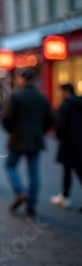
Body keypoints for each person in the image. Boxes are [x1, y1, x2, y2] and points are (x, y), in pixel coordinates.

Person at [1, 69, 55, 217]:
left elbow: (6, 118)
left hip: (18, 139)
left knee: (10, 166)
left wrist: (12, 131)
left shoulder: (16, 96)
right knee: (34, 173)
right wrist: (40, 131)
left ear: (22, 80)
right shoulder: (42, 97)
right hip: (36, 140)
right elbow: (51, 119)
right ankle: (31, 205)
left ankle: (20, 191)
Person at [50, 83, 82, 212]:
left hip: (69, 143)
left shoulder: (66, 106)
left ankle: (65, 198)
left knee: (70, 171)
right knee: (72, 170)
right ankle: (65, 196)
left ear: (67, 91)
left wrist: (59, 136)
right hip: (79, 142)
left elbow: (61, 125)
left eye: (61, 91)